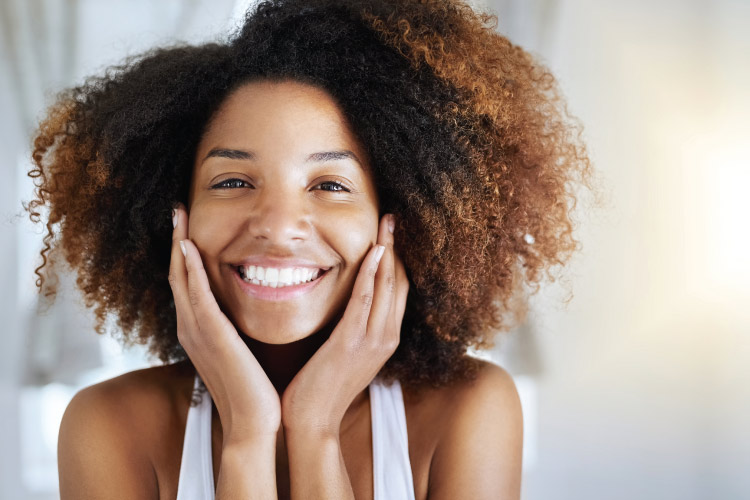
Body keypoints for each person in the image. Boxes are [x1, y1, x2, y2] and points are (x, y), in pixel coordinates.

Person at [26, 0, 592, 498]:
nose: (277, 226)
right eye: (232, 181)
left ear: (400, 219)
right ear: (173, 215)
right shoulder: (109, 426)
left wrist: (315, 427)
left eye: (330, 186)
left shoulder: (469, 410)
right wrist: (247, 436)